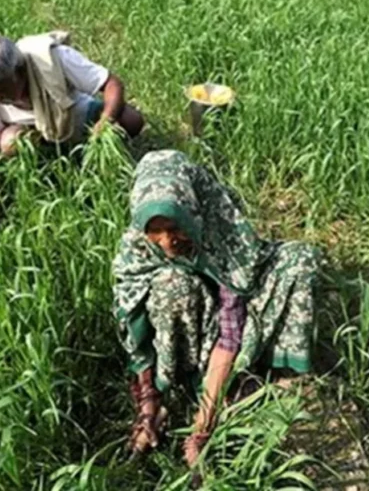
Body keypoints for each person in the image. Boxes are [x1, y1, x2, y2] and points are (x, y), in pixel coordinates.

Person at [112, 150, 321, 466]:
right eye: (155, 232)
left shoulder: (222, 228)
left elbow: (230, 328)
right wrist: (149, 403)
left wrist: (203, 424)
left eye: (174, 228)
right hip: (192, 317)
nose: (167, 243)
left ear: (192, 213)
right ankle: (178, 375)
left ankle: (253, 371)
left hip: (233, 316)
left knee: (300, 261)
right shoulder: (137, 245)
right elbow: (132, 322)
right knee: (171, 285)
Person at [0, 31, 145, 206]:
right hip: (34, 136)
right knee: (11, 142)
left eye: (2, 91)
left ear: (19, 70)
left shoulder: (52, 59)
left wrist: (104, 123)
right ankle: (46, 170)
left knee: (131, 120)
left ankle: (89, 155)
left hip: (74, 116)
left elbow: (112, 83)